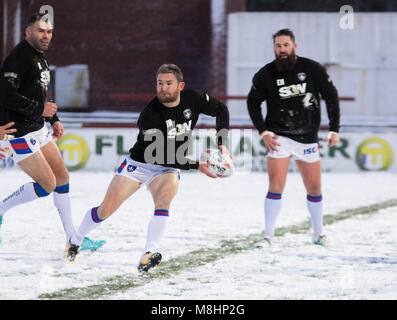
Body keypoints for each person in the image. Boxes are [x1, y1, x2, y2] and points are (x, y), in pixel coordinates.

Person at [65, 63, 231, 270]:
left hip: (168, 167)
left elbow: (221, 109)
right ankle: (76, 239)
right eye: (159, 83)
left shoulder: (194, 99)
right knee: (105, 210)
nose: (163, 88)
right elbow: (160, 155)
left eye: (168, 83)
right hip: (140, 165)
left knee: (164, 201)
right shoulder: (150, 115)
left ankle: (148, 253)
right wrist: (197, 165)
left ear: (181, 86)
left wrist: (222, 142)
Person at [0, 13, 104, 250]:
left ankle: (72, 239)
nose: (46, 36)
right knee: (46, 185)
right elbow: (6, 96)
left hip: (39, 128)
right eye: (40, 31)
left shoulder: (41, 58)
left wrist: (53, 118)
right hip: (20, 132)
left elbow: (40, 94)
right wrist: (40, 109)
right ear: (28, 32)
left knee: (63, 178)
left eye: (49, 32)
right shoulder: (18, 58)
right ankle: (1, 209)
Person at [247, 28, 340, 246]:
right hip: (279, 137)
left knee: (315, 188)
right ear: (274, 48)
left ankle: (318, 233)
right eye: (278, 46)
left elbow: (331, 97)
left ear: (294, 46)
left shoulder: (312, 69)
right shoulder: (265, 74)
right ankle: (268, 236)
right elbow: (252, 103)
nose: (282, 50)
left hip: (307, 138)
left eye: (286, 45)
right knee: (275, 186)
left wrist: (334, 128)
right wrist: (264, 132)